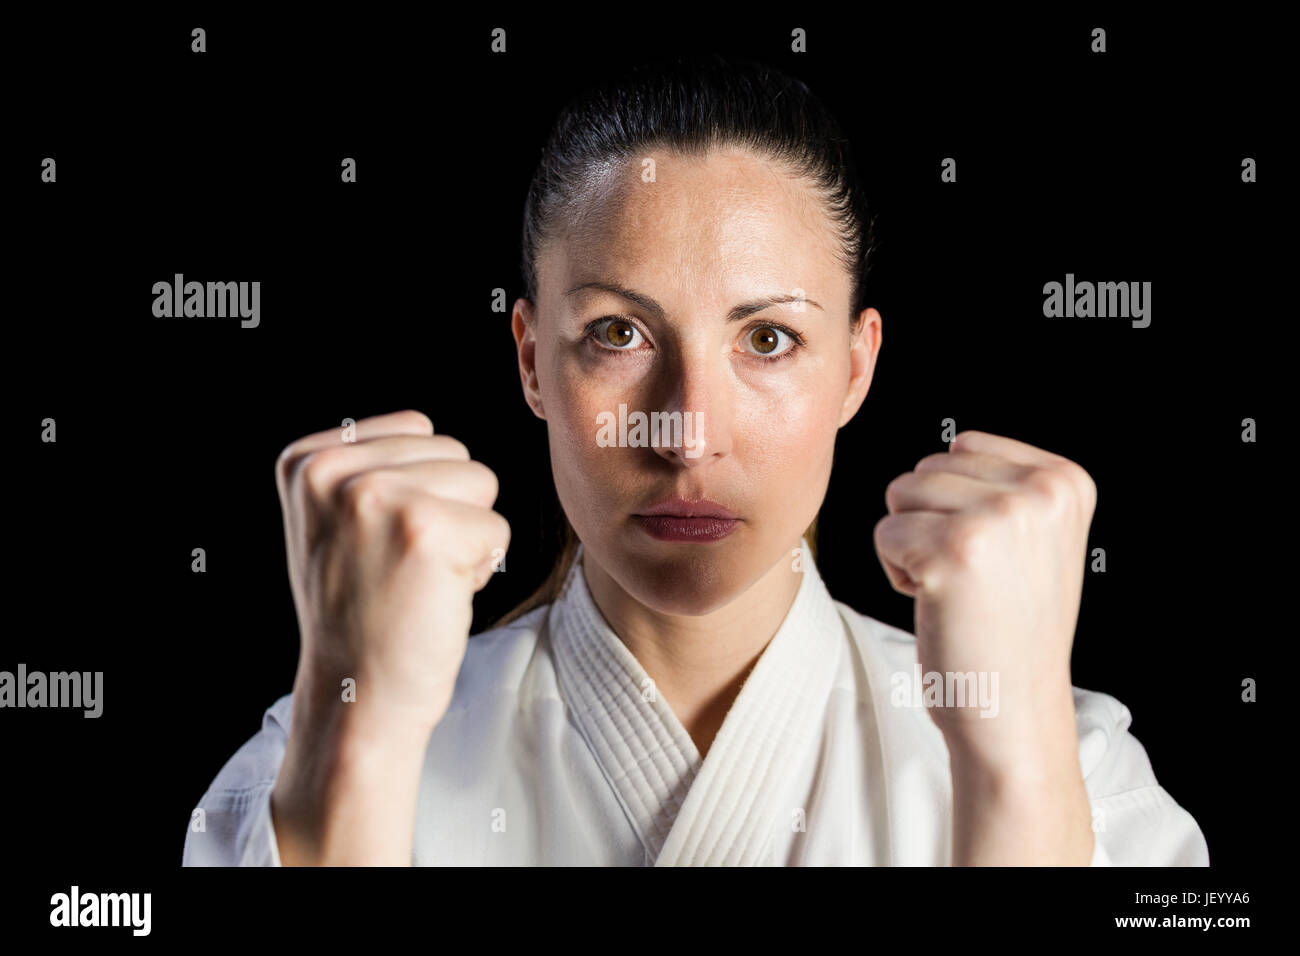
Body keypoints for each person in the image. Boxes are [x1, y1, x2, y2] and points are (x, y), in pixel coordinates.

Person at [183, 55, 1209, 866]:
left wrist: (1014, 768)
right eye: (618, 334)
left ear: (856, 369)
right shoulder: (307, 770)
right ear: (532, 362)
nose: (684, 432)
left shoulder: (1077, 774)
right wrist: (351, 737)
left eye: (767, 339)